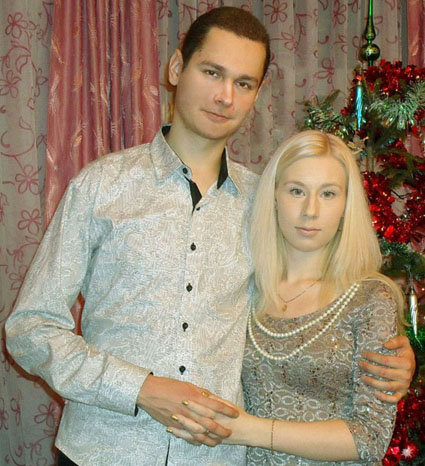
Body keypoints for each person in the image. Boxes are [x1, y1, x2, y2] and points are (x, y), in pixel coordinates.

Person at [5, 7, 414, 466]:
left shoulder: (268, 203)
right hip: (101, 451)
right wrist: (141, 389)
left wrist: (391, 357)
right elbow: (30, 328)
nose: (225, 96)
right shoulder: (102, 186)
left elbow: (313, 293)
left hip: (216, 456)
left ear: (257, 94)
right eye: (212, 72)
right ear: (176, 68)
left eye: (244, 83)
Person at [167, 130, 407, 465]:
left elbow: (370, 438)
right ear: (275, 196)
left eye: (328, 193)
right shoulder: (244, 288)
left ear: (346, 205)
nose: (310, 210)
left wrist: (248, 430)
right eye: (297, 191)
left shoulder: (369, 299)